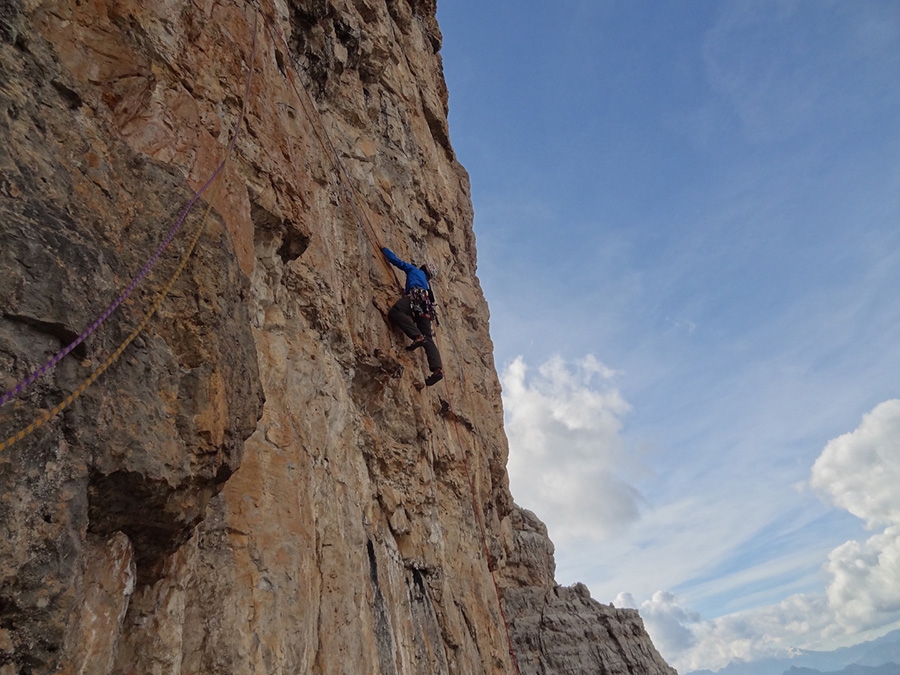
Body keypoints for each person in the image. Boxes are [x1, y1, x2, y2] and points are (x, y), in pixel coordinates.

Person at [382, 247, 443, 386]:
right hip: (425, 308)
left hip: (415, 298)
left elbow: (396, 261)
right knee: (428, 337)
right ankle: (437, 370)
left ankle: (416, 336)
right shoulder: (427, 286)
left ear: (423, 268)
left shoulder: (415, 270)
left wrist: (385, 250)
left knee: (396, 312)